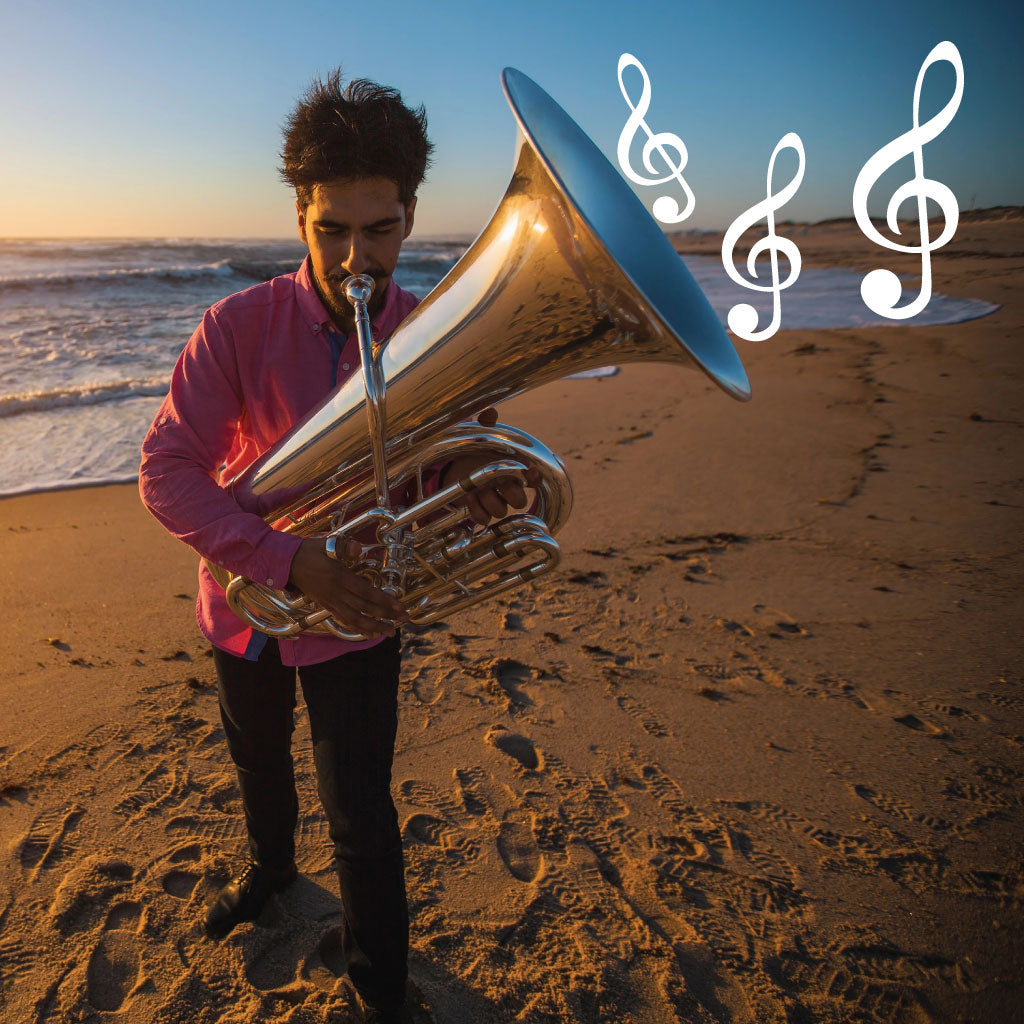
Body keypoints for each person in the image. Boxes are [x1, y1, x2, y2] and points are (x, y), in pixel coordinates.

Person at [139, 69, 527, 1024]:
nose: (359, 257)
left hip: (359, 618)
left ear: (408, 215)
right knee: (256, 759)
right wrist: (286, 559)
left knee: (362, 815)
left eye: (381, 229)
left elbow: (445, 473)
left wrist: (483, 493)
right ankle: (272, 873)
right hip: (247, 609)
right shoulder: (235, 326)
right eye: (333, 230)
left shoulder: (437, 335)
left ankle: (379, 992)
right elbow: (167, 469)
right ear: (299, 216)